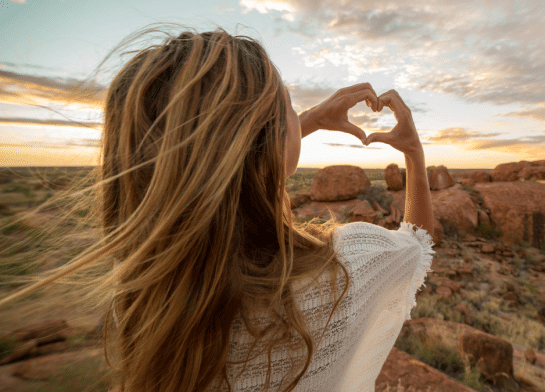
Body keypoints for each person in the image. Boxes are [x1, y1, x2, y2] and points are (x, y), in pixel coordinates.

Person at [0, 29, 434, 392]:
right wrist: (413, 152)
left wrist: (305, 120)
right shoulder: (344, 269)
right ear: (269, 136)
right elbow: (419, 244)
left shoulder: (146, 294)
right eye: (284, 99)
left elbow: (220, 179)